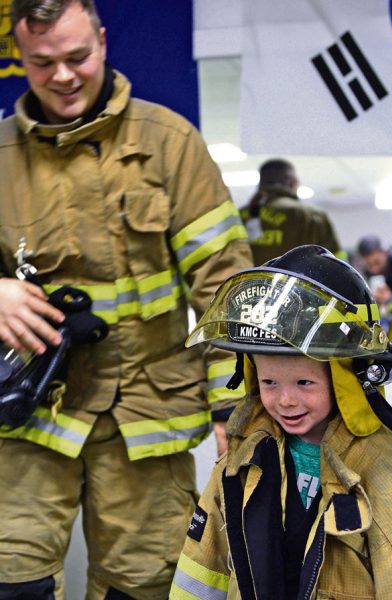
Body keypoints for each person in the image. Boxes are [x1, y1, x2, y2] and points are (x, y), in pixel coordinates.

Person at [0, 1, 253, 598]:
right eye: (42, 63)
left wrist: (234, 410)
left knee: (144, 587)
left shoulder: (169, 142)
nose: (63, 76)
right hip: (30, 419)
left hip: (147, 417)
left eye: (77, 56)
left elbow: (224, 284)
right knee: (13, 582)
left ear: (104, 40)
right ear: (19, 59)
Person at [170, 245, 392, 600]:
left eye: (304, 383)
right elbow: (200, 574)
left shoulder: (390, 478)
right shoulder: (240, 461)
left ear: (348, 378)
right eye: (269, 382)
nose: (285, 399)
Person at [240, 158, 344, 265]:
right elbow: (335, 262)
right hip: (294, 281)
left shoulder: (238, 216)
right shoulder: (312, 215)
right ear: (293, 181)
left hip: (242, 281)